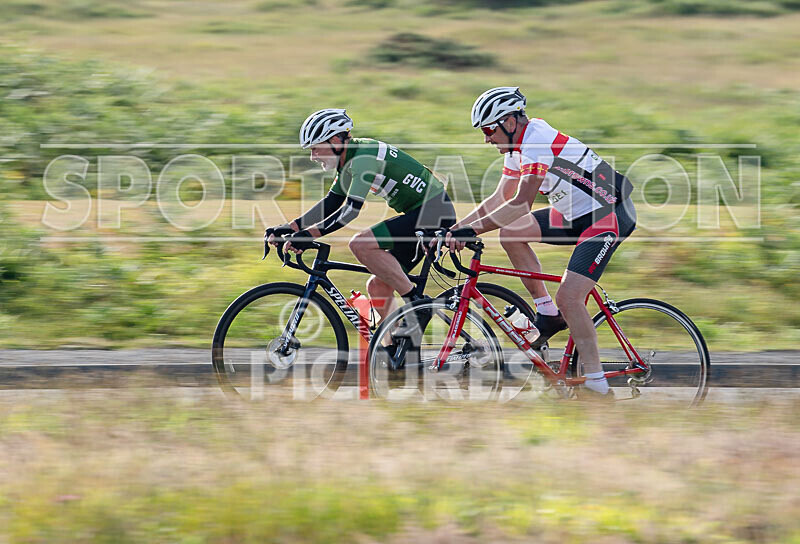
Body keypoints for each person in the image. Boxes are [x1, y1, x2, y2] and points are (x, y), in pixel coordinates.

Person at [445, 87, 637, 399]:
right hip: (576, 214)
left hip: (609, 215)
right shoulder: (517, 147)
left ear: (509, 122)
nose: (487, 139)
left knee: (570, 298)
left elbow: (520, 204)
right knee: (511, 233)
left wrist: (472, 231)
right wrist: (456, 229)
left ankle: (597, 384)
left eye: (489, 130)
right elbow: (500, 197)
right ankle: (547, 312)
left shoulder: (536, 142)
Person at [265, 108, 456, 321]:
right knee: (377, 287)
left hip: (432, 213)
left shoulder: (363, 158)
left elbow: (350, 211)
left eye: (316, 149)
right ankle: (397, 341)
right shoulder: (350, 158)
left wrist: (309, 235)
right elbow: (332, 202)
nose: (313, 157)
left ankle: (416, 304)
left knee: (361, 244)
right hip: (419, 214)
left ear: (335, 141)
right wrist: (290, 228)